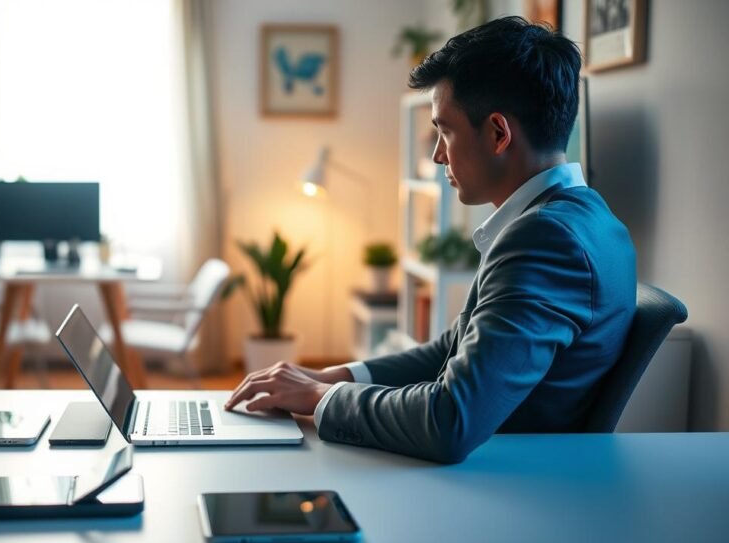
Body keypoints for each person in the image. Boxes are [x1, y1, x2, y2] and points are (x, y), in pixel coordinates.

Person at [224, 17, 636, 464]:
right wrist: (334, 374)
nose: (438, 154)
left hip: (503, 484)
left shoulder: (544, 240)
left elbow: (450, 420)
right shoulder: (585, 217)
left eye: (445, 130)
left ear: (498, 133)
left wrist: (321, 397)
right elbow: (453, 348)